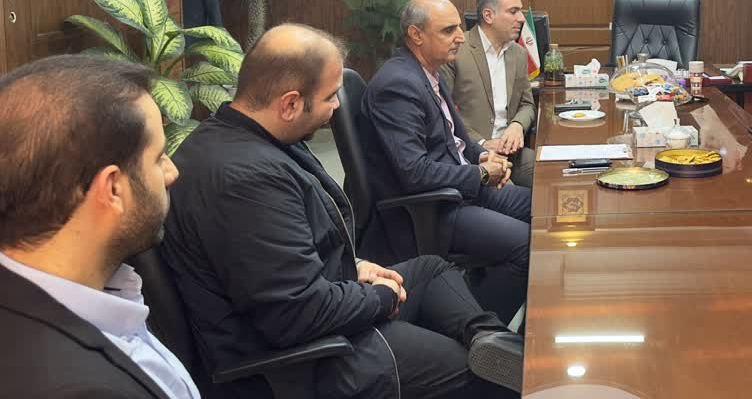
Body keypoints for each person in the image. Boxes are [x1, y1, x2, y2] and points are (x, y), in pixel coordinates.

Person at [160, 24, 523, 399]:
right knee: (485, 377)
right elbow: (295, 315)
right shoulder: (244, 181)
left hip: (325, 299)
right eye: (330, 97)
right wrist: (380, 298)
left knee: (431, 270)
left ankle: (490, 340)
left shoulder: (250, 136)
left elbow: (280, 257)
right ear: (290, 104)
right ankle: (498, 365)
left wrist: (356, 264)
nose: (337, 107)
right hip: (307, 361)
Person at [0, 56, 199, 398]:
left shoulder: (97, 291)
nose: (172, 172)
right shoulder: (81, 388)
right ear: (113, 188)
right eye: (158, 158)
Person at [361, 0, 531, 315]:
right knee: (527, 244)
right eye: (448, 30)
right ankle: (475, 326)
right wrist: (480, 173)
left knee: (544, 210)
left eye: (458, 28)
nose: (460, 37)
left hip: (460, 188)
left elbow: (454, 140)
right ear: (416, 34)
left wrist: (482, 157)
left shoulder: (428, 73)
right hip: (434, 209)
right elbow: (414, 172)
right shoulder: (398, 85)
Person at [440, 0, 536, 188]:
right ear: (488, 15)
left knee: (555, 174)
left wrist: (517, 125)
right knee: (514, 196)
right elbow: (442, 113)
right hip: (472, 155)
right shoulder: (456, 50)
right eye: (513, 11)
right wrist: (481, 144)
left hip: (512, 152)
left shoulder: (518, 53)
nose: (521, 18)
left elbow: (527, 104)